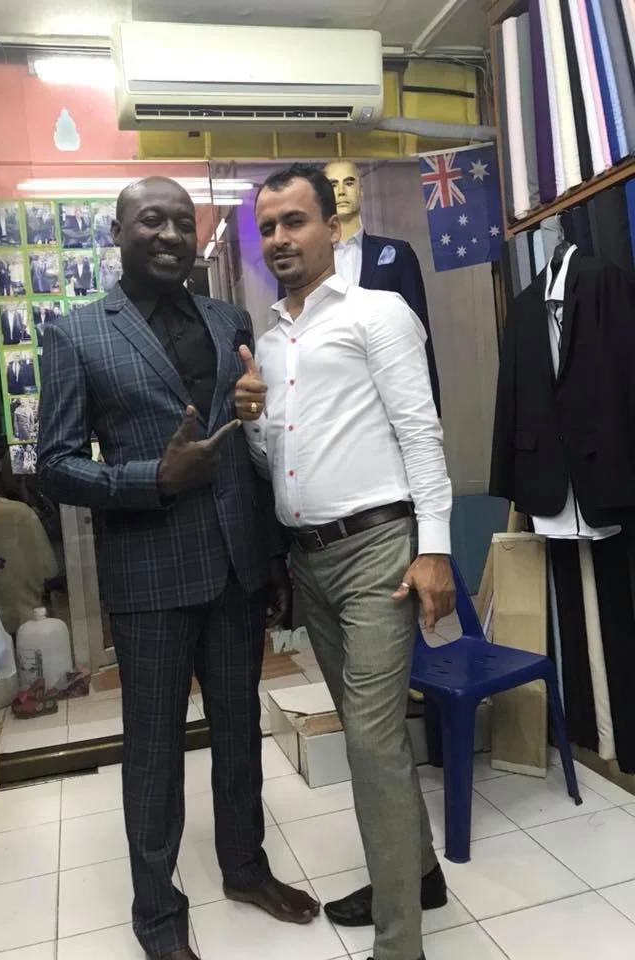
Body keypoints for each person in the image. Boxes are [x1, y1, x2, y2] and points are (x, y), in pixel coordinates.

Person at [36, 176, 319, 960]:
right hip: (149, 576)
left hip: (234, 569)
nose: (167, 233)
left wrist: (271, 557)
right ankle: (158, 916)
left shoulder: (229, 319)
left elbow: (248, 448)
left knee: (238, 735)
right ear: (119, 231)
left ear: (197, 237)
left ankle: (244, 867)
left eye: (181, 222)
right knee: (154, 752)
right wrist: (147, 480)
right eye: (149, 220)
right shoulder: (79, 333)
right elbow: (52, 464)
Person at [235, 163, 455, 960]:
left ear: (332, 225)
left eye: (295, 221)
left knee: (368, 741)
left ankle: (402, 945)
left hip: (379, 554)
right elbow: (275, 464)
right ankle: (419, 873)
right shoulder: (269, 337)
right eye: (268, 228)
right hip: (313, 563)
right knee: (378, 737)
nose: (281, 239)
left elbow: (421, 433)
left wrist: (435, 549)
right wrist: (252, 419)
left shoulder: (378, 313)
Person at [324, 159, 441, 416]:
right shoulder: (308, 263)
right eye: (333, 184)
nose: (342, 191)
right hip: (331, 400)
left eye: (349, 182)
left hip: (390, 395)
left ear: (361, 192)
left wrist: (431, 410)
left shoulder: (398, 254)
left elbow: (419, 333)